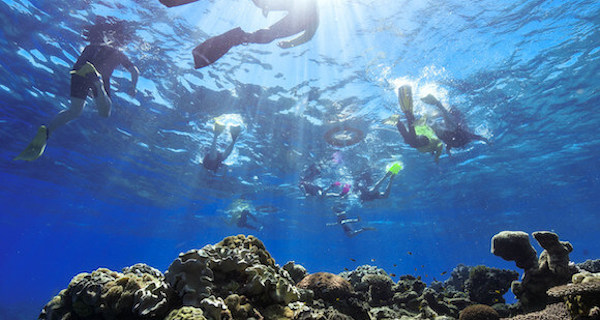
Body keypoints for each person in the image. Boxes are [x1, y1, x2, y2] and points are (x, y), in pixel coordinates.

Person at [14, 17, 139, 161]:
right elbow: (134, 70)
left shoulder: (90, 46)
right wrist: (133, 87)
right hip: (97, 75)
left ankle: (47, 132)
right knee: (105, 112)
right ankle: (97, 83)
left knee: (75, 110)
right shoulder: (117, 53)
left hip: (78, 71)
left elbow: (86, 58)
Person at [191, 0, 319, 68]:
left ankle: (240, 37)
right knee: (267, 33)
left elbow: (309, 36)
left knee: (267, 34)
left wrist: (290, 43)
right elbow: (309, 35)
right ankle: (240, 37)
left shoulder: (314, 15)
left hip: (292, 21)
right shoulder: (312, 11)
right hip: (291, 18)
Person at [421, 94, 490, 154]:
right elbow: (479, 137)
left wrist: (487, 142)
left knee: (440, 123)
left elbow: (479, 138)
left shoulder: (461, 141)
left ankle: (427, 111)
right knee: (444, 122)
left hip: (448, 133)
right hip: (451, 131)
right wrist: (488, 142)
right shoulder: (466, 139)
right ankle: (436, 105)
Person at [395, 85, 443, 163]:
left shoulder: (433, 146)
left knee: (410, 135)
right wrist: (436, 157)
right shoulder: (432, 145)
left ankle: (400, 120)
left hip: (419, 137)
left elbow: (440, 146)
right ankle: (400, 120)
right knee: (410, 137)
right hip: (419, 138)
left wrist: (437, 156)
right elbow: (440, 145)